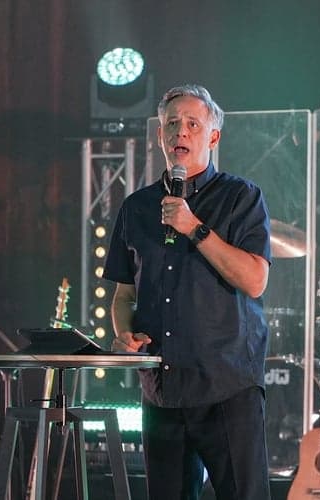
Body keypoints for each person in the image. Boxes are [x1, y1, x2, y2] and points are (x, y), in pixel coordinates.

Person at [104, 84, 273, 500]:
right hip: (161, 388)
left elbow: (254, 279)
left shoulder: (241, 197)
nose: (181, 131)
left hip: (226, 384)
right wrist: (125, 335)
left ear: (213, 137)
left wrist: (194, 227)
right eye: (172, 124)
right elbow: (125, 295)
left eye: (193, 124)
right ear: (160, 136)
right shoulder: (137, 207)